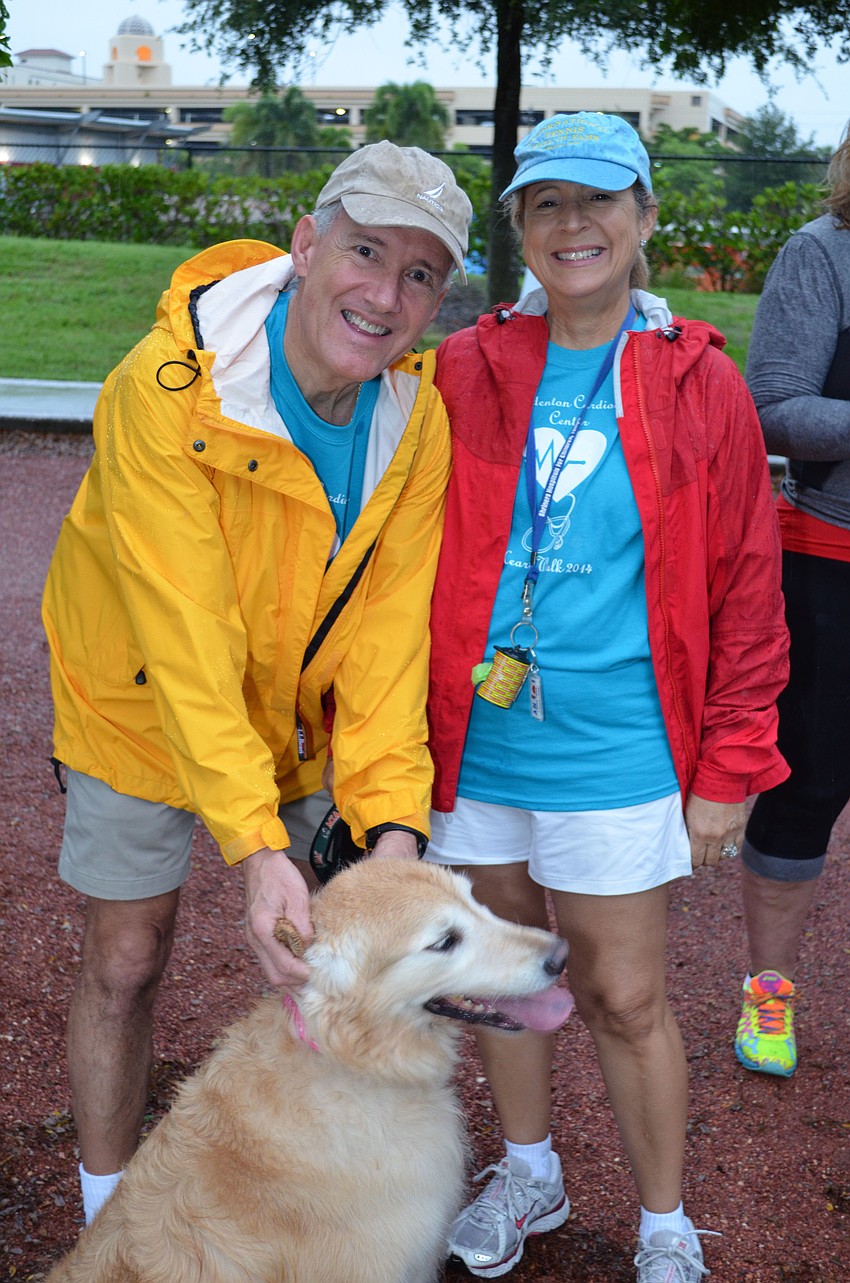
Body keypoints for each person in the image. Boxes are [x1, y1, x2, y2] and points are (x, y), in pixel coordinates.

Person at [41, 140, 472, 1225]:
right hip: (138, 701)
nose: (385, 295)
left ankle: (320, 1209)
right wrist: (255, 847)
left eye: (419, 274)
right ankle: (110, 1217)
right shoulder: (162, 390)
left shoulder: (413, 419)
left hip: (294, 719)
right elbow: (185, 641)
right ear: (306, 243)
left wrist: (393, 833)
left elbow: (387, 644)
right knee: (128, 956)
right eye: (366, 252)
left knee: (348, 964)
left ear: (437, 301)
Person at [425, 112, 789, 1282]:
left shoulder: (699, 381)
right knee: (501, 976)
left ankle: (665, 1223)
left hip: (619, 741)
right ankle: (528, 1171)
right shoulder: (465, 367)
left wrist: (730, 764)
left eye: (597, 200)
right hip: (475, 738)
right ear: (519, 227)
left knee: (624, 994)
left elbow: (747, 590)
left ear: (643, 216)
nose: (571, 223)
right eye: (546, 202)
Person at [734, 121, 850, 1079]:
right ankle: (768, 992)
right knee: (806, 786)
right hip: (830, 564)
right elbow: (771, 408)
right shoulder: (822, 253)